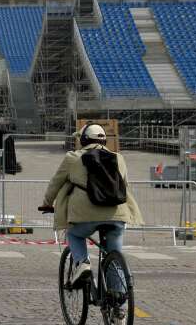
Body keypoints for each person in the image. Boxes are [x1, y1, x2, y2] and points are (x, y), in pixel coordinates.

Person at [40, 123, 143, 290]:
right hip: (116, 213)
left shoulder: (73, 158)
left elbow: (55, 183)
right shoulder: (118, 158)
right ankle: (119, 308)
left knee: (74, 234)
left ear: (83, 140)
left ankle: (83, 263)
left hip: (84, 214)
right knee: (114, 257)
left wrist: (47, 203)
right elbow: (124, 184)